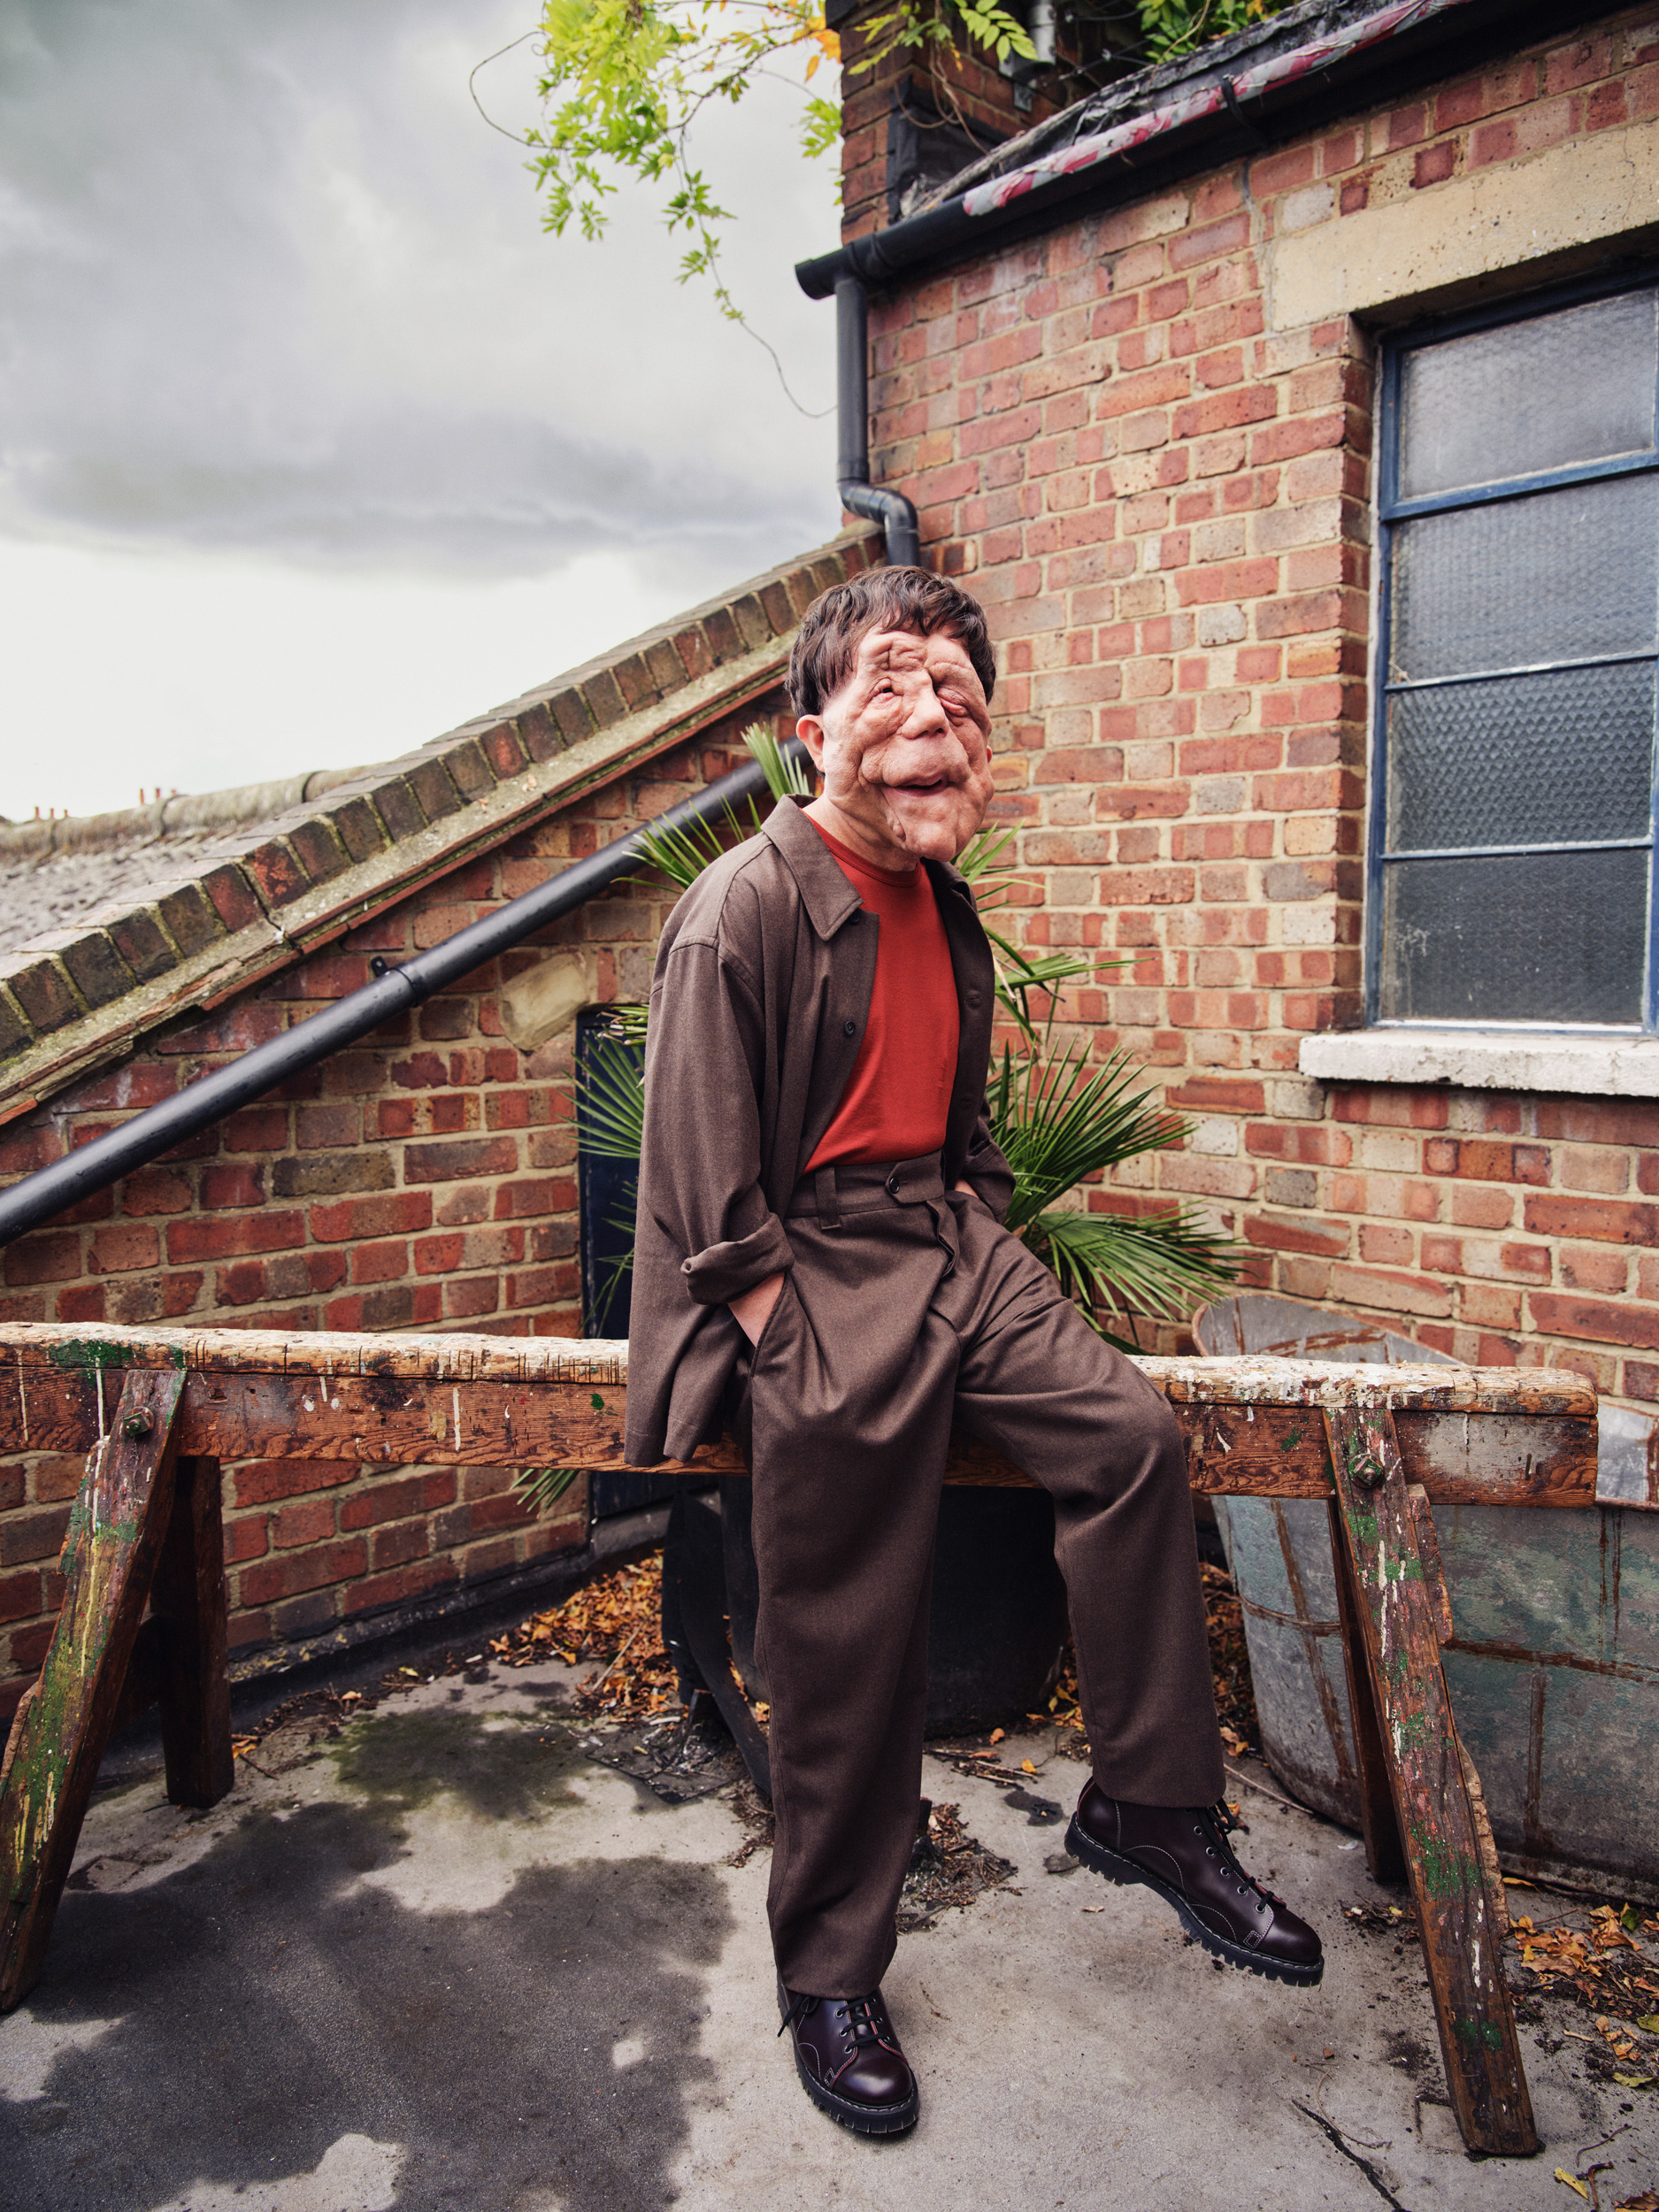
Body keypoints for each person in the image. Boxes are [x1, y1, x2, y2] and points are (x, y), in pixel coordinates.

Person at [624, 566, 1321, 2138]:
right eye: (893, 683)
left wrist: (980, 1231)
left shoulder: (946, 905)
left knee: (1132, 1447)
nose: (936, 715)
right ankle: (830, 1973)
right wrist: (786, 1347)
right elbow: (702, 1185)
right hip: (802, 1266)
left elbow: (952, 1123)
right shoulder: (739, 906)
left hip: (944, 1238)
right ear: (811, 736)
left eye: (960, 694)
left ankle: (1149, 1805)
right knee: (847, 1632)